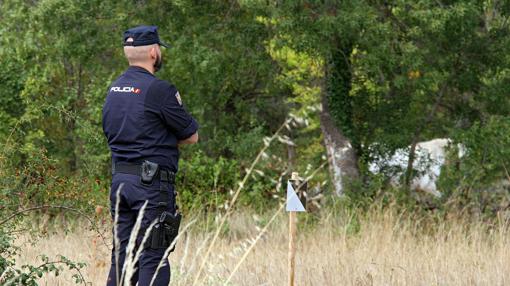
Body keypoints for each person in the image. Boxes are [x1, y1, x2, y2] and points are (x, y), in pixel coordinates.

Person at [102, 25, 199, 286]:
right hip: (152, 187)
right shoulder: (160, 90)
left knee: (122, 255)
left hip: (120, 183)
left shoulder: (113, 90)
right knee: (154, 256)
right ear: (154, 52)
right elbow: (191, 135)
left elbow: (114, 133)